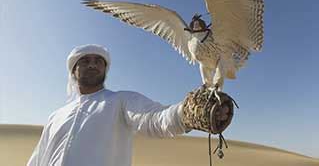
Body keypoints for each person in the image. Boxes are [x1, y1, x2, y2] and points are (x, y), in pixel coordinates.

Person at [27, 44, 199, 166]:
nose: (92, 64)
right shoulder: (56, 116)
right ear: (73, 70)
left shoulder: (120, 101)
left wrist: (187, 113)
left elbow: (154, 119)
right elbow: (38, 158)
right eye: (85, 61)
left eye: (98, 61)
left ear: (105, 69)